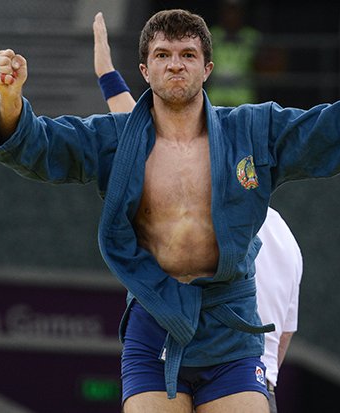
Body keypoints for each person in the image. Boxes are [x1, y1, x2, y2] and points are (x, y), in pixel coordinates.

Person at [0, 8, 340, 413]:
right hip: (156, 318)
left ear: (207, 68)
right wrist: (10, 100)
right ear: (145, 69)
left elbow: (331, 130)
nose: (176, 63)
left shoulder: (252, 131)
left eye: (188, 54)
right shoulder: (115, 140)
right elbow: (41, 147)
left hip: (229, 322)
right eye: (163, 54)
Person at [92, 12, 300, 413]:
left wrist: (105, 72)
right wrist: (106, 73)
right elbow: (286, 334)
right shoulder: (286, 240)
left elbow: (141, 138)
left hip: (234, 367)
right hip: (252, 378)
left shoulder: (196, 212)